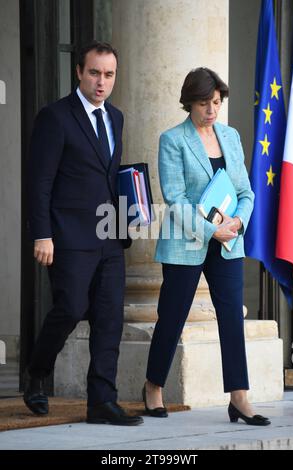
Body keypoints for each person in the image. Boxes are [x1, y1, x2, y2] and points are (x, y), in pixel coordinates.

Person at [142, 67, 270, 426]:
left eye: (216, 102)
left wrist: (239, 222)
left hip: (229, 241)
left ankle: (239, 397)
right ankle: (153, 386)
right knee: (173, 315)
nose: (212, 110)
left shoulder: (230, 136)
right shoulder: (173, 139)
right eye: (204, 103)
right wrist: (210, 230)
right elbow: (176, 198)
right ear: (189, 103)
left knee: (231, 317)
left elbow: (246, 191)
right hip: (188, 242)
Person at [24, 42, 143, 426]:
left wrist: (133, 207)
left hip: (110, 232)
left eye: (108, 74)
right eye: (94, 72)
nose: (101, 82)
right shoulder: (55, 117)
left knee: (109, 319)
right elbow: (39, 181)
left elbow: (109, 175)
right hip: (68, 236)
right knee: (71, 308)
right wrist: (42, 234)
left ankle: (101, 402)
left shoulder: (117, 118)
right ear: (78, 72)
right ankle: (37, 370)